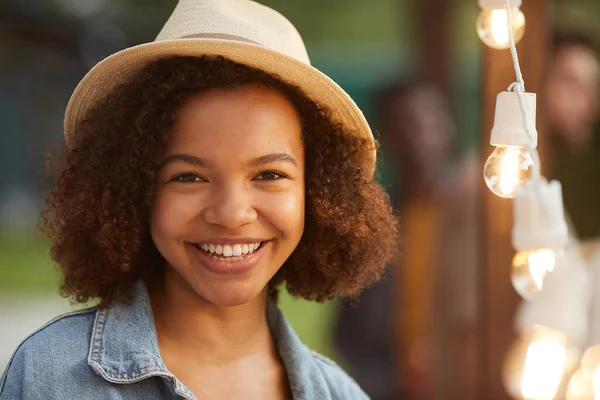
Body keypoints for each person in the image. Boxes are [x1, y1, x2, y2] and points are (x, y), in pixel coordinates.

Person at [0, 1, 399, 399]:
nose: (231, 214)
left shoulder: (340, 394)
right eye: (189, 177)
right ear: (136, 190)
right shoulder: (49, 377)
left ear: (317, 193)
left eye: (269, 175)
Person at [546, 28, 600, 242]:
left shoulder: (556, 181)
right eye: (573, 84)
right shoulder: (492, 186)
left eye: (592, 88)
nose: (590, 106)